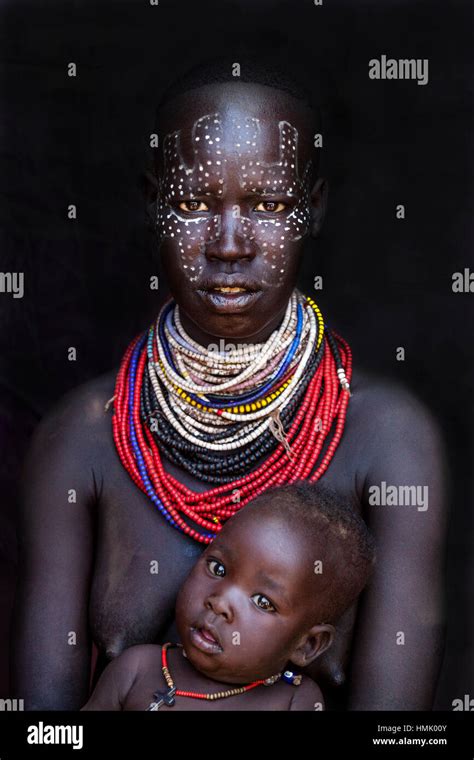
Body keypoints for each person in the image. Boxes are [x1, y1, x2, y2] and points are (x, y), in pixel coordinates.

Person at [10, 60, 447, 711]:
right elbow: (45, 731)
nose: (231, 243)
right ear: (155, 208)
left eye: (269, 204)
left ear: (314, 207)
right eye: (191, 204)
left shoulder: (390, 438)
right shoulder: (81, 437)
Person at [81, 482, 375, 711]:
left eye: (263, 602)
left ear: (307, 645)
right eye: (217, 567)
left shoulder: (295, 700)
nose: (219, 603)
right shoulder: (137, 669)